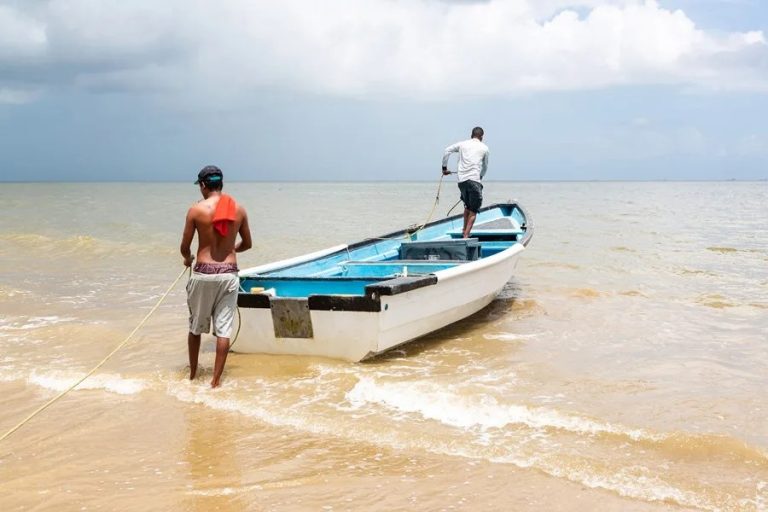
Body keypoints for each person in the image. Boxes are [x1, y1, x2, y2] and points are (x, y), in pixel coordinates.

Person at [180, 165, 252, 388]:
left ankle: (193, 376)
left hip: (203, 273)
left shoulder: (196, 210)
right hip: (229, 274)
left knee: (195, 328)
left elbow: (184, 247)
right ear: (221, 183)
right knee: (223, 331)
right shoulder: (238, 209)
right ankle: (215, 381)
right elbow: (248, 244)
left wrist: (187, 259)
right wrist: (231, 250)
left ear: (203, 185)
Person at [442, 127, 489, 238]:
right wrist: (480, 176)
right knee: (473, 209)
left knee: (467, 207)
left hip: (461, 181)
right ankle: (466, 236)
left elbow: (446, 151)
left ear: (471, 135)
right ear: (482, 137)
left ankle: (464, 231)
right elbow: (485, 166)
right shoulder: (485, 148)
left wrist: (444, 168)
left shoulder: (462, 144)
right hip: (474, 180)